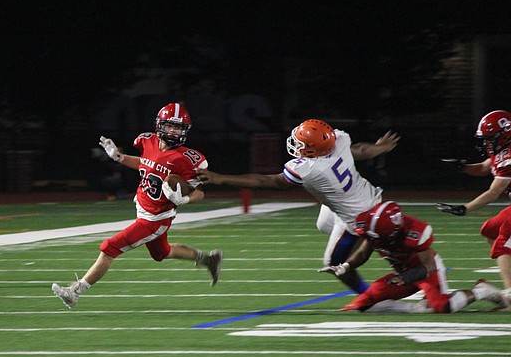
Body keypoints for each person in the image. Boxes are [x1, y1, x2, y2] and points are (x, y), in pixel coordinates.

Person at [197, 119, 400, 293]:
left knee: (333, 263)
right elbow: (359, 150)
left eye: (301, 143)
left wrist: (220, 178)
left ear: (313, 148)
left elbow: (269, 182)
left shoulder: (310, 168)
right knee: (323, 224)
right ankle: (375, 240)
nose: (297, 145)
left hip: (359, 218)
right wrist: (380, 148)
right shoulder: (338, 141)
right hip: (368, 196)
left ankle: (370, 296)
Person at [51, 102, 223, 309]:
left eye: (178, 128)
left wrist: (184, 200)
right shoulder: (147, 141)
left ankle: (75, 291)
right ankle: (208, 259)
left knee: (109, 248)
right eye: (170, 126)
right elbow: (145, 163)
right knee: (162, 253)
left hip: (155, 219)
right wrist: (119, 157)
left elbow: (200, 192)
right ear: (160, 125)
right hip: (143, 208)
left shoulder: (188, 159)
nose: (174, 131)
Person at [319, 201, 508, 312]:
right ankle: (418, 308)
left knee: (442, 306)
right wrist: (344, 267)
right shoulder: (372, 229)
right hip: (401, 273)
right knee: (361, 304)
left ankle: (481, 291)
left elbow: (429, 267)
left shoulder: (415, 231)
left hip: (425, 272)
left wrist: (404, 278)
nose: (375, 240)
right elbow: (362, 253)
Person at [436, 110, 511, 294]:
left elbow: (494, 192)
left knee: (502, 245)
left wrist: (465, 208)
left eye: (489, 138)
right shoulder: (503, 150)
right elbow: (487, 166)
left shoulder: (509, 157)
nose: (486, 142)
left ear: (503, 135)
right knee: (490, 230)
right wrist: (464, 167)